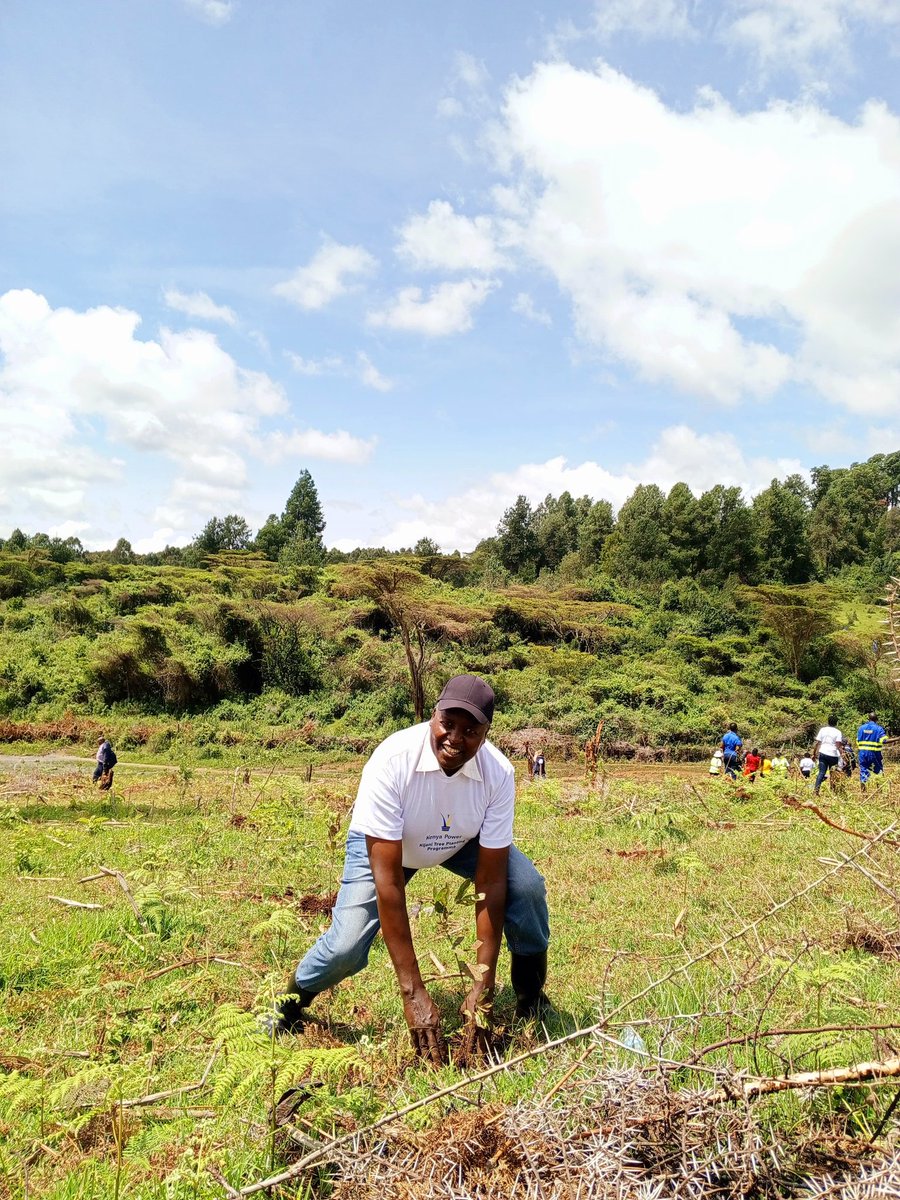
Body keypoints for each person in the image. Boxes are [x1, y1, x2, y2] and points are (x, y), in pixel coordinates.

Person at [264, 675, 551, 1063]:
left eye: (470, 730)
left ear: (486, 735)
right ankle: (290, 1003)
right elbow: (389, 883)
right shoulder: (393, 760)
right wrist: (412, 990)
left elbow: (492, 880)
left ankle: (530, 998)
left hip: (457, 843)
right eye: (447, 724)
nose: (454, 738)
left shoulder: (498, 774)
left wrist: (483, 985)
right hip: (391, 846)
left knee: (528, 888)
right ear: (433, 716)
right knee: (346, 944)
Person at [813, 717, 844, 796]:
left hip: (823, 753)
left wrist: (814, 753)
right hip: (833, 754)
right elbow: (838, 744)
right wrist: (842, 753)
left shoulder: (823, 730)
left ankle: (816, 791)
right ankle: (833, 791)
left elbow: (818, 743)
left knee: (821, 773)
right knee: (833, 773)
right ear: (836, 723)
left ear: (828, 722)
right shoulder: (838, 732)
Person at [856, 712, 887, 791]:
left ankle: (863, 792)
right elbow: (884, 740)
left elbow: (857, 741)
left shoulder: (861, 728)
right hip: (874, 753)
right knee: (878, 771)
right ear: (876, 720)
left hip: (862, 753)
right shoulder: (878, 728)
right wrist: (897, 739)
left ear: (868, 719)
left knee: (863, 771)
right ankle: (879, 791)